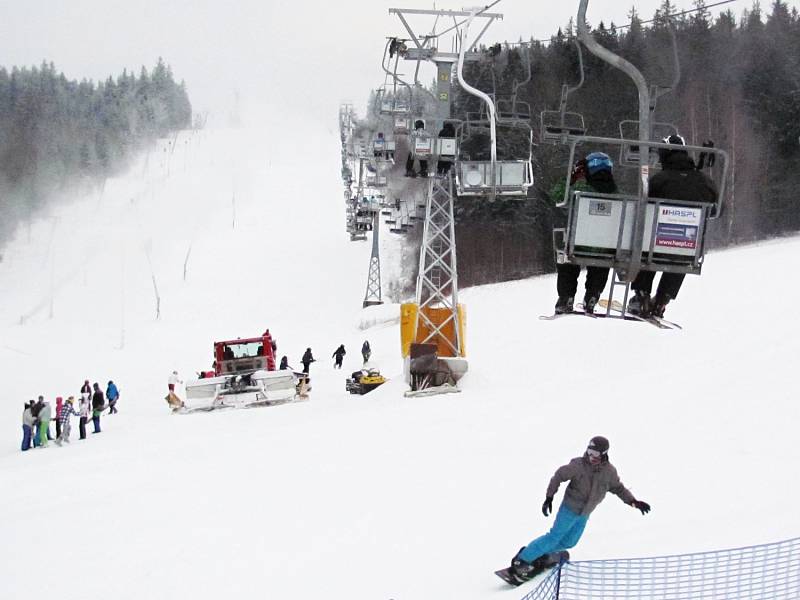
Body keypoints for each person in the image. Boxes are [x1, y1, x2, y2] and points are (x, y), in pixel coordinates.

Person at [504, 436, 651, 584]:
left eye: (595, 454)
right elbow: (558, 476)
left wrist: (633, 501)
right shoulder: (578, 465)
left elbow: (618, 488)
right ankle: (522, 560)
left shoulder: (609, 472)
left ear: (604, 454)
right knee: (554, 537)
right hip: (569, 509)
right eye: (589, 451)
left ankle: (540, 553)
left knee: (570, 542)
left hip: (585, 514)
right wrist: (549, 497)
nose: (591, 456)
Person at [628, 134, 718, 318]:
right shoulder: (704, 181)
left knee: (647, 250)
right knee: (683, 256)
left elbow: (642, 205)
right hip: (687, 247)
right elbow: (717, 208)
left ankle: (642, 295)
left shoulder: (659, 180)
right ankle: (662, 299)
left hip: (656, 244)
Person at [555, 152, 619, 314]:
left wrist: (572, 177)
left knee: (567, 260)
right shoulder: (617, 193)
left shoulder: (580, 189)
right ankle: (593, 295)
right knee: (602, 261)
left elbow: (556, 195)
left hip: (579, 243)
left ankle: (566, 297)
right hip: (605, 245)